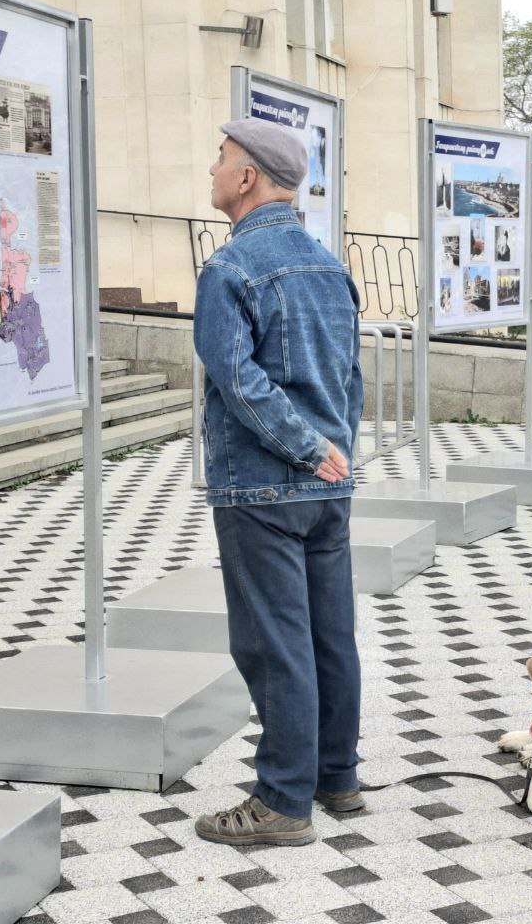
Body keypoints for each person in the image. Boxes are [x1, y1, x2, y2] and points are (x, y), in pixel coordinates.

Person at [192, 117, 365, 846]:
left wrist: (300, 448)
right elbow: (351, 380)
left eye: (221, 157)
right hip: (328, 485)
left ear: (249, 177)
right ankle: (336, 777)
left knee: (276, 645)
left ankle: (283, 800)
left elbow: (236, 377)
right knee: (331, 638)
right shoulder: (329, 265)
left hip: (264, 483)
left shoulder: (229, 269)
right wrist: (333, 452)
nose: (212, 167)